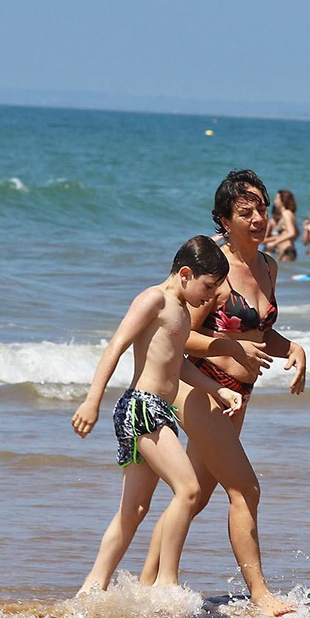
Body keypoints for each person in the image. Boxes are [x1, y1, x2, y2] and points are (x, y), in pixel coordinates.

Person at [142, 170, 306, 617]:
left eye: (262, 210)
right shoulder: (216, 271)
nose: (258, 219)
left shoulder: (267, 266)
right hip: (202, 392)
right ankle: (261, 595)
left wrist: (292, 348)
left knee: (191, 498)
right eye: (245, 212)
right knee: (246, 490)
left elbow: (259, 331)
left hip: (239, 396)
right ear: (224, 219)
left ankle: (143, 586)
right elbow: (177, 335)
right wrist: (230, 347)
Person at [70, 236, 244, 594]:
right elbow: (116, 346)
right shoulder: (154, 299)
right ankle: (166, 584)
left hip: (159, 410)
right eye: (207, 288)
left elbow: (176, 365)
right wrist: (92, 401)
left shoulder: (180, 312)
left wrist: (218, 388)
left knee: (134, 510)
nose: (210, 299)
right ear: (184, 274)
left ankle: (91, 590)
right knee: (190, 489)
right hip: (141, 407)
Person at [265, 189, 298, 262]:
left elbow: (292, 233)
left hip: (286, 251)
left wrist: (274, 243)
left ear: (282, 201)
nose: (275, 201)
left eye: (277, 199)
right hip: (288, 250)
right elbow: (297, 233)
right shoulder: (290, 214)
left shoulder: (286, 213)